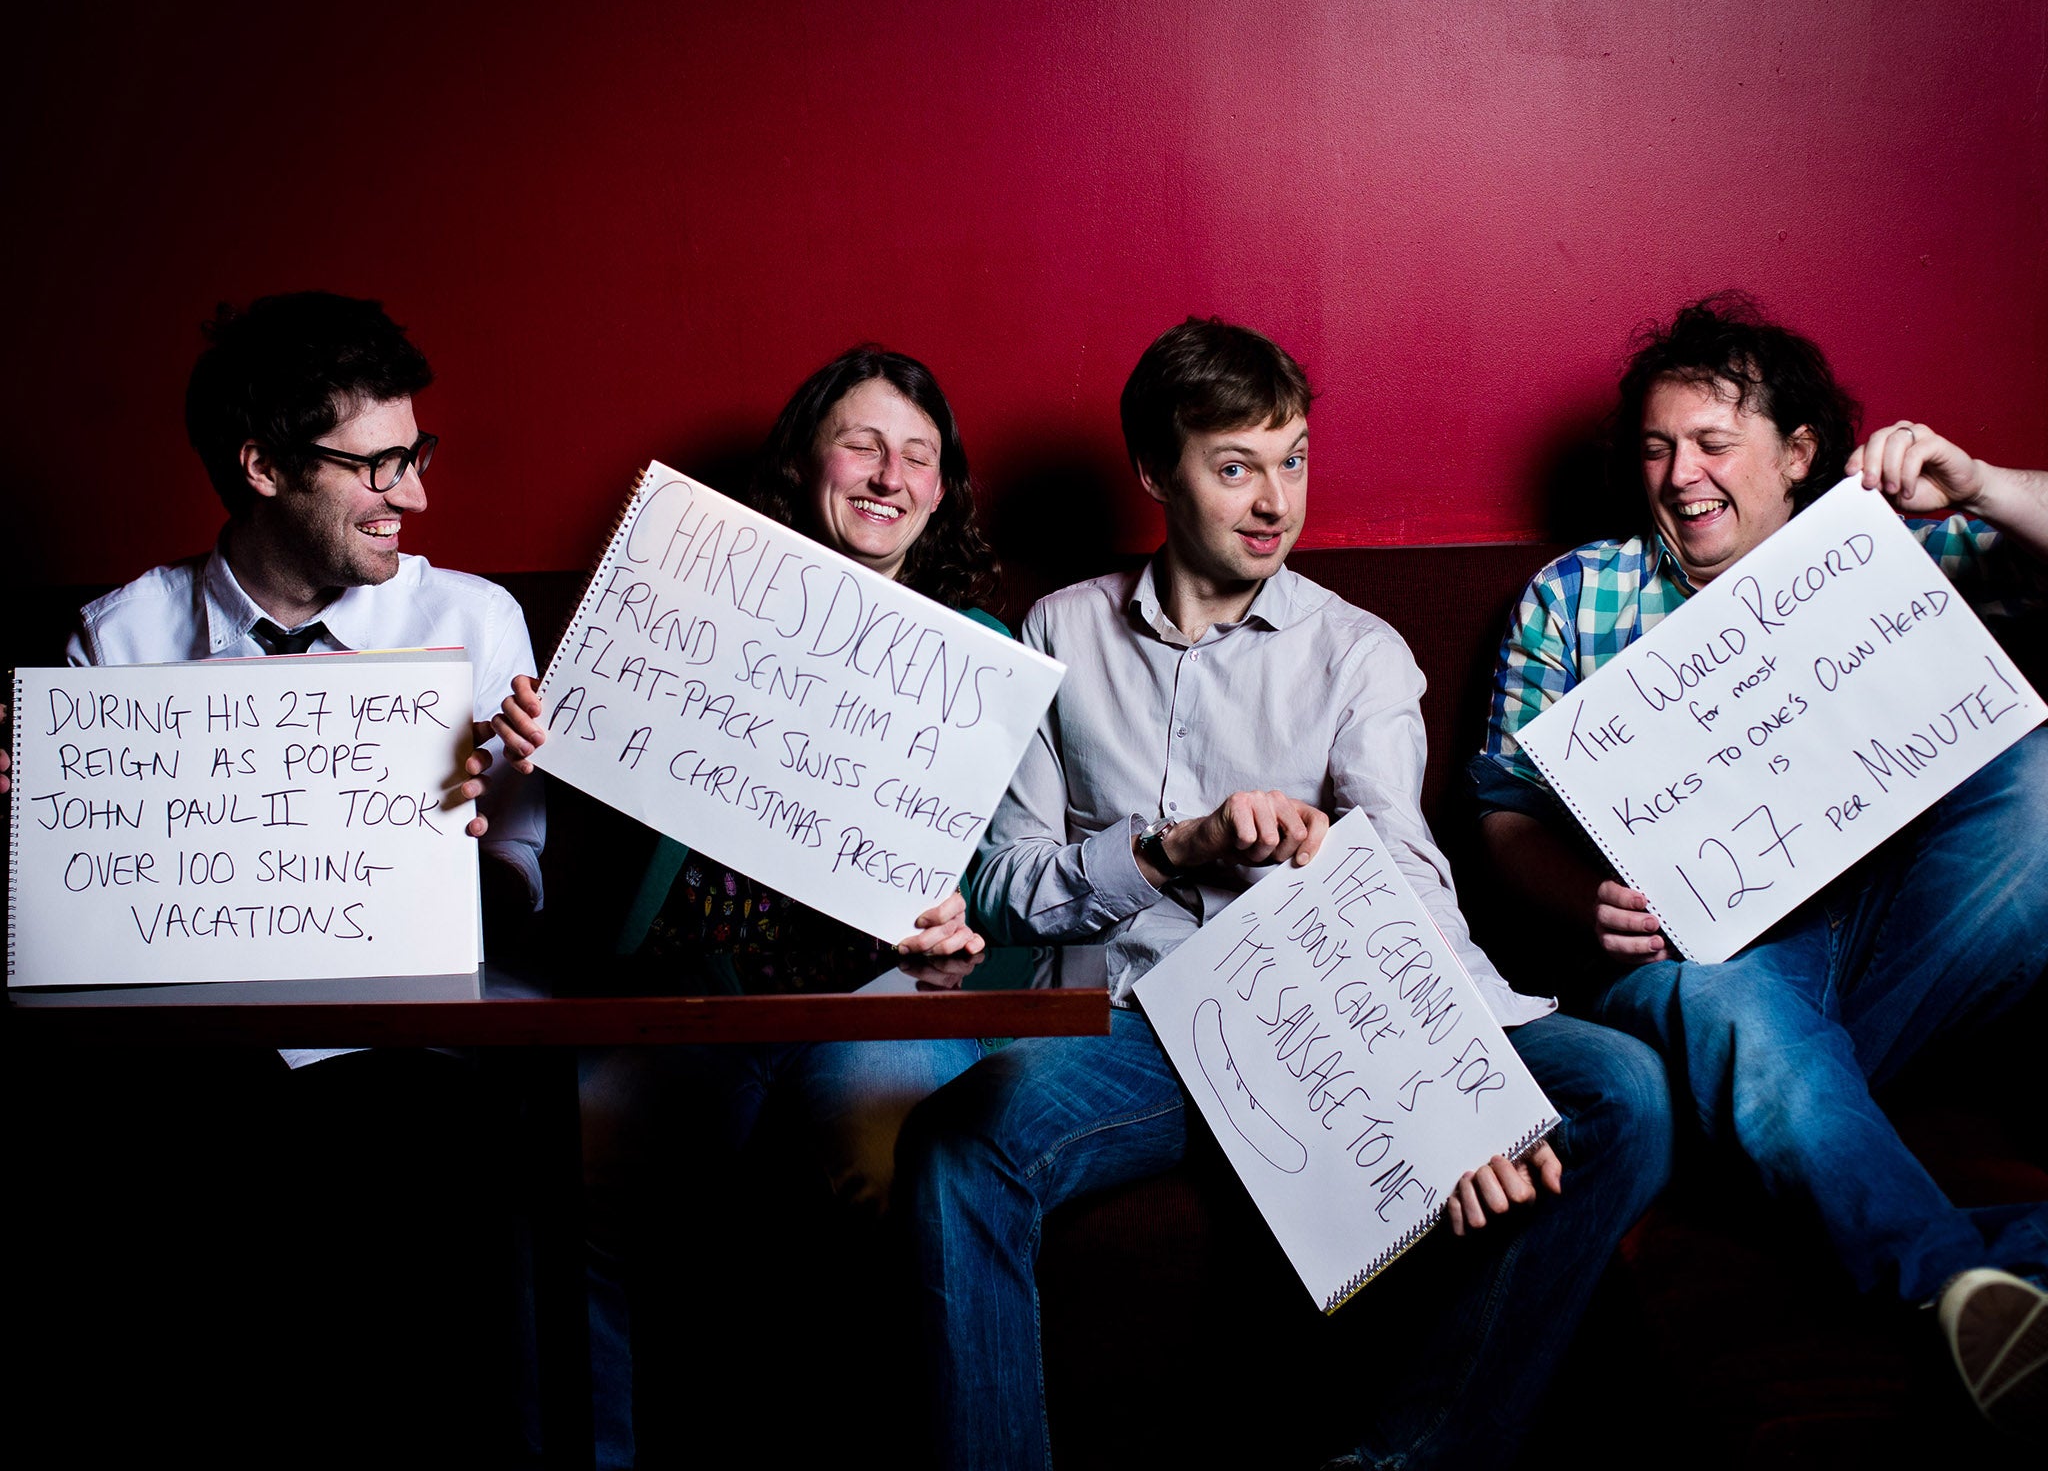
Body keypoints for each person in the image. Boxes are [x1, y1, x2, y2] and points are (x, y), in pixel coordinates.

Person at [896, 317, 1673, 1470]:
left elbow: (1406, 871)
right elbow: (1008, 888)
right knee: (958, 1143)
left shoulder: (1355, 653)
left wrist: (1438, 1098)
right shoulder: (1058, 634)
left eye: (1294, 458)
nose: (1275, 502)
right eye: (1234, 466)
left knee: (1621, 1087)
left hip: (1334, 1036)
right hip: (1144, 1036)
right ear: (1155, 474)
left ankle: (1398, 1462)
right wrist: (1170, 851)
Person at [1472, 292, 2048, 1429]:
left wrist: (1976, 483)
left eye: (1710, 443)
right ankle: (1958, 1292)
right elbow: (1498, 818)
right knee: (1721, 999)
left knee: (2036, 775)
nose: (1679, 473)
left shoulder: (1888, 544)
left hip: (1904, 940)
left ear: (1795, 454)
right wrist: (1583, 902)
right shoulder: (1574, 593)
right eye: (1654, 447)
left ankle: (1757, 1126)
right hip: (1705, 961)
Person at [18, 290, 542, 1461]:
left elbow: (524, 899)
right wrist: (33, 832)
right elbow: (94, 936)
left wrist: (477, 831)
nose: (415, 495)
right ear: (261, 466)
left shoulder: (475, 621)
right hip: (194, 1077)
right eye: (378, 465)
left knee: (416, 1136)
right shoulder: (120, 640)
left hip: (417, 1067)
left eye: (416, 455)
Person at [493, 344, 1006, 1466]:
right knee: (557, 1165)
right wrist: (538, 742)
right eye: (862, 444)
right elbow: (588, 796)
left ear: (942, 490)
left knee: (874, 1149)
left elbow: (1014, 875)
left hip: (879, 996)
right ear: (807, 459)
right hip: (694, 998)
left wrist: (964, 916)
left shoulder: (981, 659)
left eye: (918, 457)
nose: (888, 475)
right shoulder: (681, 603)